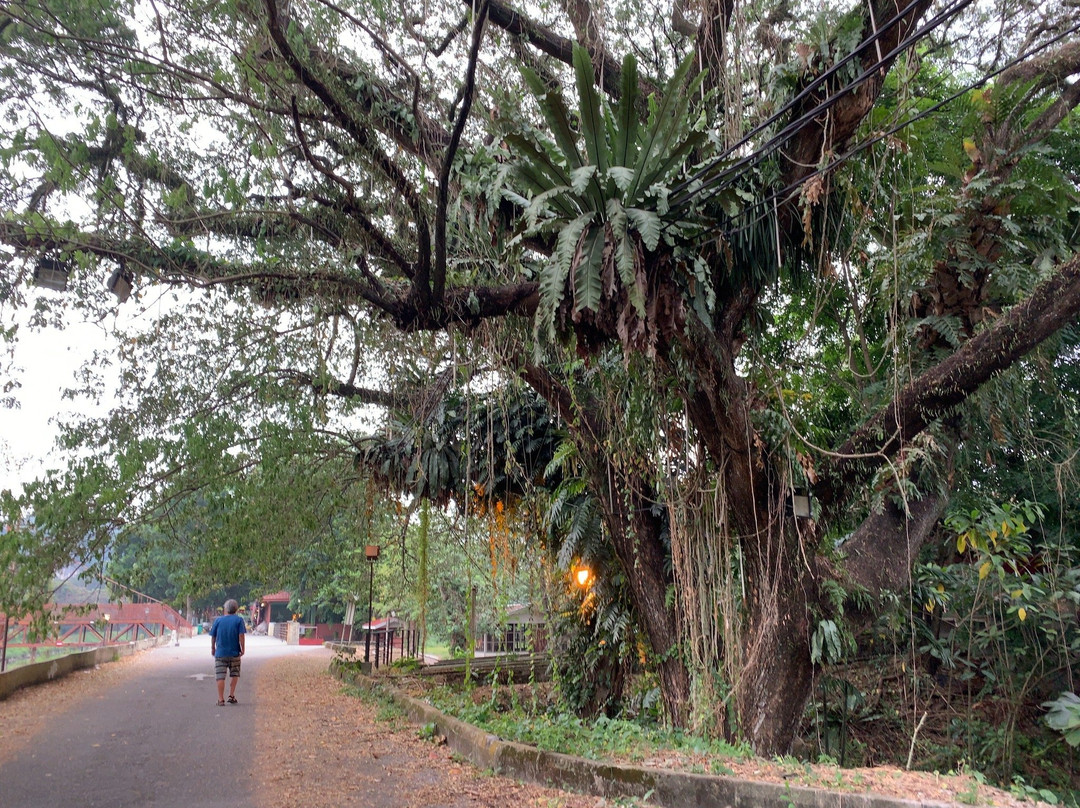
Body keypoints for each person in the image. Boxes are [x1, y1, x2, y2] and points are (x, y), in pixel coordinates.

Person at [209, 599, 246, 706]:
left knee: (220, 676)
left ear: (225, 609)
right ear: (236, 609)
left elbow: (213, 636)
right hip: (234, 653)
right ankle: (231, 695)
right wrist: (243, 648)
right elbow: (241, 636)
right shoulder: (239, 620)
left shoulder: (218, 621)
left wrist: (213, 648)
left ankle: (220, 699)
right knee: (235, 674)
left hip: (220, 653)